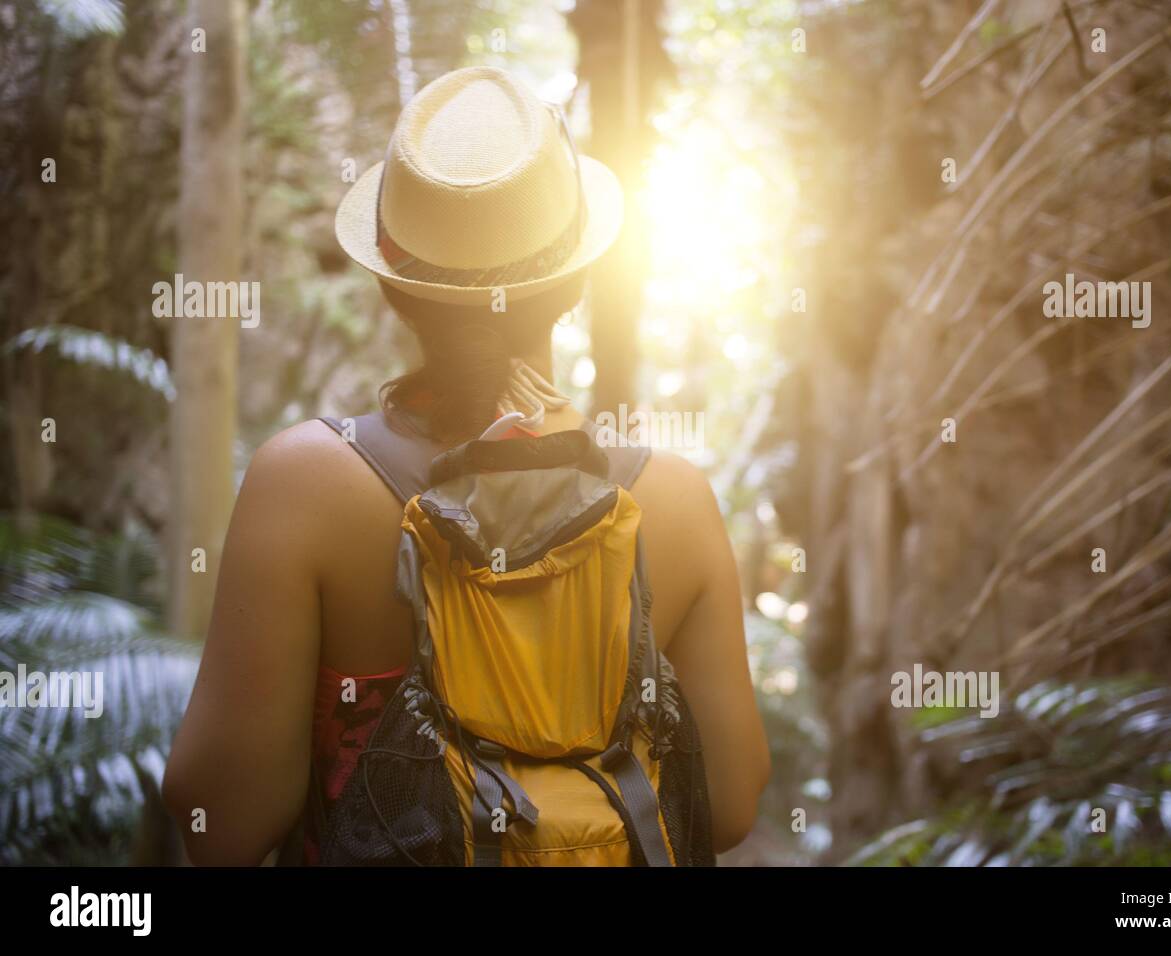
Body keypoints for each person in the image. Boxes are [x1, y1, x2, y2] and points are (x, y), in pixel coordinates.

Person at [163, 66, 770, 865]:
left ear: (391, 284)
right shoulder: (676, 503)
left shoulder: (304, 486)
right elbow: (724, 806)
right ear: (577, 280)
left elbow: (222, 818)